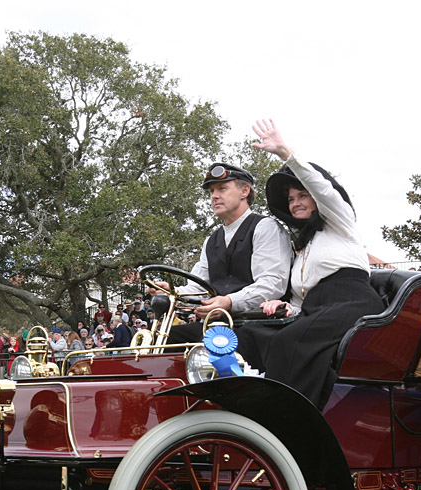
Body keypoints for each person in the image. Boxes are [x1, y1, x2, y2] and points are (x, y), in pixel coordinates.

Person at [233, 120, 384, 409]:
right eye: (291, 199)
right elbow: (302, 301)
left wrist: (285, 153)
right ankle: (247, 413)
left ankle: (287, 419)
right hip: (317, 310)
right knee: (254, 336)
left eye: (302, 196)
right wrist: (287, 307)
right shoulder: (302, 248)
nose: (295, 203)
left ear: (315, 200)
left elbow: (324, 189)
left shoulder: (341, 223)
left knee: (288, 343)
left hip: (351, 302)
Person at [164, 159, 292, 342]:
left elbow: (272, 283)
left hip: (258, 324)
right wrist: (172, 292)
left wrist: (229, 302)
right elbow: (199, 286)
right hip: (218, 326)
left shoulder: (265, 227)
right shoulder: (211, 240)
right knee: (167, 339)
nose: (214, 196)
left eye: (222, 189)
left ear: (244, 191)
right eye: (211, 191)